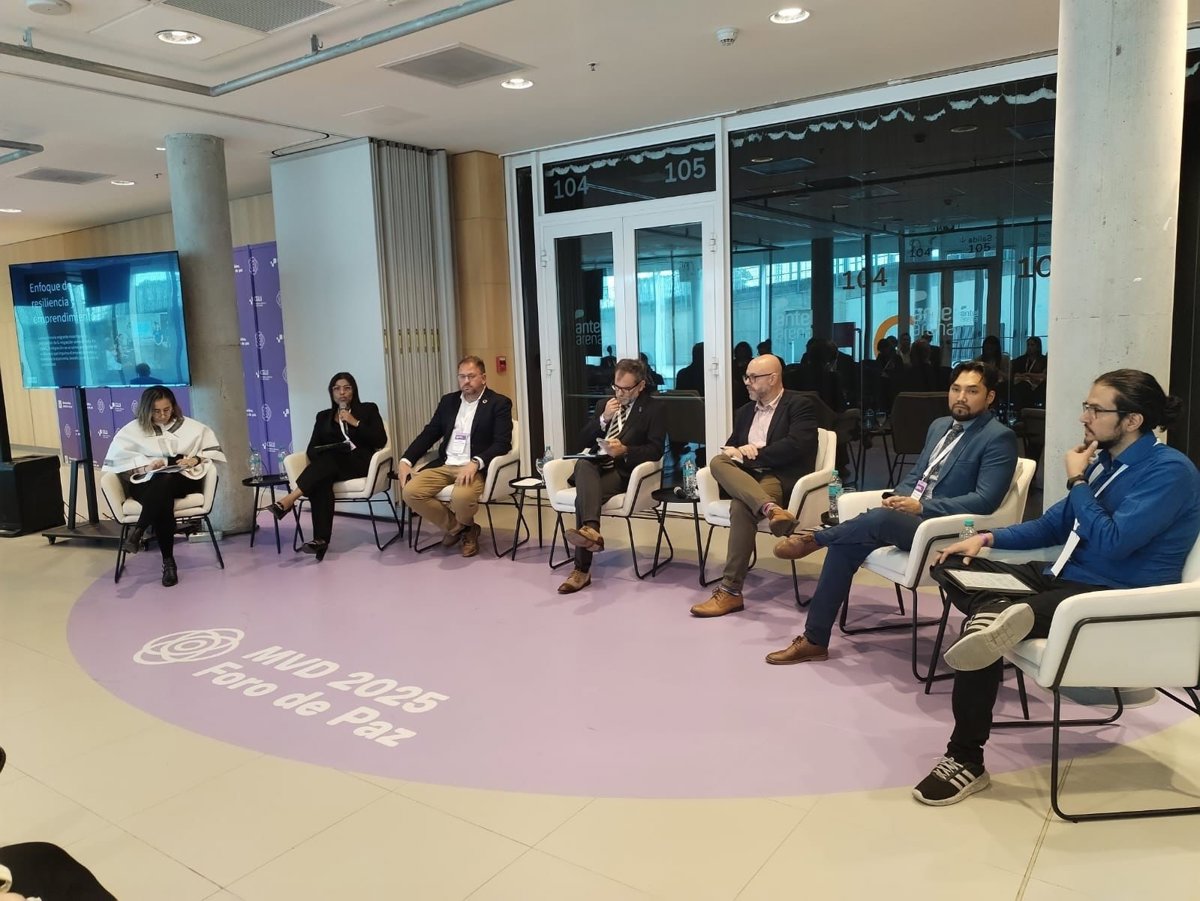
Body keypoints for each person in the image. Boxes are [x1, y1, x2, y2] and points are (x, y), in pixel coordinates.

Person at [912, 369, 1200, 806]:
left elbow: (1114, 542)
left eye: (1096, 409)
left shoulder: (1170, 471)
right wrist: (986, 538)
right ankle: (997, 614)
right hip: (1061, 579)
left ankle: (965, 758)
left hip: (1112, 598)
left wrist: (1077, 480)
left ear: (1132, 420)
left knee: (983, 631)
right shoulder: (1105, 462)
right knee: (952, 564)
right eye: (1086, 407)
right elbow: (1053, 524)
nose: (1084, 417)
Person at [767, 361, 1017, 663]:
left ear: (990, 397)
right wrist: (899, 497)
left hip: (945, 530)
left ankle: (815, 538)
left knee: (876, 520)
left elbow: (984, 500)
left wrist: (922, 506)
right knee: (846, 544)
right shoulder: (940, 426)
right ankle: (814, 640)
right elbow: (918, 475)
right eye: (956, 389)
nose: (961, 397)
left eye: (972, 391)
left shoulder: (998, 437)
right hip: (910, 519)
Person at [689, 355, 817, 617]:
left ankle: (730, 592)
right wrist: (736, 452)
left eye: (753, 377)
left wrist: (754, 453)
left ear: (773, 378)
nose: (746, 382)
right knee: (717, 461)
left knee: (741, 507)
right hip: (746, 477)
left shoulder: (799, 405)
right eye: (746, 376)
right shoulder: (745, 412)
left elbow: (797, 446)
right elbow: (731, 448)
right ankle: (771, 509)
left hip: (777, 477)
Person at [557, 357, 666, 594]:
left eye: (626, 389)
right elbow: (581, 440)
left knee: (582, 499)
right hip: (596, 467)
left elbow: (656, 450)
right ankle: (591, 531)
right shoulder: (604, 405)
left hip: (623, 471)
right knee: (583, 464)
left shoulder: (653, 409)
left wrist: (625, 450)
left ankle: (581, 569)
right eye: (616, 387)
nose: (620, 393)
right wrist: (603, 419)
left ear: (640, 386)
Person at [102, 386, 226, 587]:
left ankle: (138, 531)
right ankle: (168, 563)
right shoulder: (131, 432)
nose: (162, 415)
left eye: (166, 410)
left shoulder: (191, 427)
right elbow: (120, 467)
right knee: (162, 494)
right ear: (146, 410)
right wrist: (147, 467)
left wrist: (193, 460)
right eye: (156, 411)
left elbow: (211, 452)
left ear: (173, 407)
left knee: (165, 481)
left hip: (182, 479)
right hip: (145, 482)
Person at [398, 356, 513, 558]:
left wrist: (476, 463)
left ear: (483, 378)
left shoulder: (498, 403)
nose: (466, 381)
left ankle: (461, 529)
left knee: (461, 497)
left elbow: (502, 443)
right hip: (445, 464)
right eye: (462, 376)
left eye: (471, 376)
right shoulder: (448, 401)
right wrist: (406, 460)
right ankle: (463, 529)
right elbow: (430, 433)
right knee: (411, 492)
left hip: (473, 467)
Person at [267, 372, 387, 560]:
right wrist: (329, 451)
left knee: (326, 466)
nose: (342, 392)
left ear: (354, 391)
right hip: (331, 466)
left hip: (360, 464)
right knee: (321, 481)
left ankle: (289, 500)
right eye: (337, 389)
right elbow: (311, 450)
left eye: (347, 388)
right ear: (331, 393)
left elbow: (380, 440)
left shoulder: (368, 409)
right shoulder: (323, 417)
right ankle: (320, 541)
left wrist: (354, 422)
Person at [1009, 336, 1048, 410]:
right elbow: (1015, 375)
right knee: (1022, 387)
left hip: (1037, 387)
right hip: (1022, 384)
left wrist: (1028, 375)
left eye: (1032, 345)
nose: (1029, 347)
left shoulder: (1043, 360)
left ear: (1038, 347)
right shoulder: (1021, 359)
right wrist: (1025, 377)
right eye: (1028, 345)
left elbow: (1044, 376)